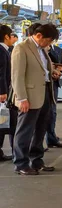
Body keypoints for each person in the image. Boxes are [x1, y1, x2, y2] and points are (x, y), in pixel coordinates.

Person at [11, 24, 60, 175]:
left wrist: (52, 72)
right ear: (39, 36)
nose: (49, 44)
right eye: (49, 40)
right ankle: (21, 163)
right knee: (25, 130)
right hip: (29, 96)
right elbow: (17, 76)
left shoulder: (42, 49)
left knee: (41, 128)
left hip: (45, 92)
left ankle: (37, 160)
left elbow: (42, 68)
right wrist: (22, 98)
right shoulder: (22, 48)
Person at [46, 43, 62, 148]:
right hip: (42, 84)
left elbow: (61, 64)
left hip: (54, 83)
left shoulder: (58, 50)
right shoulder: (40, 50)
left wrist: (59, 71)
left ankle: (51, 137)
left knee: (52, 111)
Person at [0, 25, 16, 161]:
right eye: (11, 35)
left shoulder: (5, 50)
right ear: (6, 36)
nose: (13, 38)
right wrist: (3, 92)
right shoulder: (1, 51)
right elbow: (1, 73)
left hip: (4, 92)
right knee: (2, 122)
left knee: (2, 122)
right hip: (2, 94)